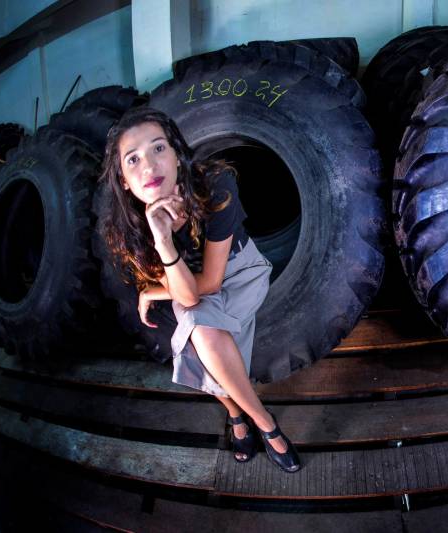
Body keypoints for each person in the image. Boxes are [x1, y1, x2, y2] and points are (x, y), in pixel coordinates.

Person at [99, 107, 301, 473]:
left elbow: (208, 284)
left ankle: (242, 420)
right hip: (187, 288)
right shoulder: (129, 229)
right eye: (133, 159)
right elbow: (189, 295)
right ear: (124, 180)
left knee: (198, 334)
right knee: (202, 334)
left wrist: (152, 292)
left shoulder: (216, 185)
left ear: (177, 154)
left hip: (238, 272)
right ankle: (263, 422)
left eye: (158, 148)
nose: (149, 166)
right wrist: (162, 238)